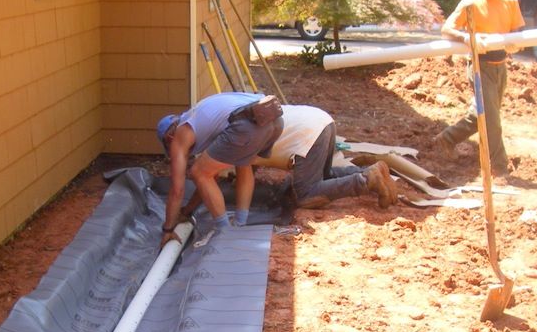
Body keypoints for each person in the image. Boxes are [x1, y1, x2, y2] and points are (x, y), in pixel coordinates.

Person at [434, 0, 525, 177]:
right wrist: (467, 38)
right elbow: (447, 29)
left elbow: (518, 30)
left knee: (482, 115)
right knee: (492, 121)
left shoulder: (510, 1)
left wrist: (517, 43)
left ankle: (447, 138)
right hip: (479, 66)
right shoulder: (470, 3)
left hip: (501, 65)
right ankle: (500, 169)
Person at [156, 92, 283, 247]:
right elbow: (211, 178)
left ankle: (226, 232)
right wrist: (187, 211)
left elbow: (177, 190)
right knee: (242, 162)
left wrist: (168, 229)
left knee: (198, 171)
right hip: (274, 118)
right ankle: (239, 224)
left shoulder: (180, 134)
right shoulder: (199, 120)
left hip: (247, 124)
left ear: (169, 138)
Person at [252, 104, 397, 209]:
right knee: (324, 175)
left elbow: (244, 165)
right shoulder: (244, 112)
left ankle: (365, 180)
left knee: (305, 195)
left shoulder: (235, 141)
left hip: (308, 133)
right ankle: (369, 171)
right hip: (320, 120)